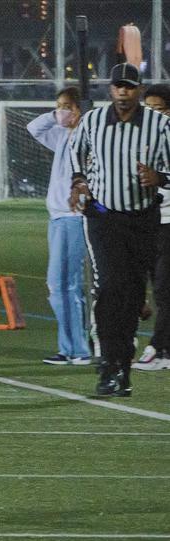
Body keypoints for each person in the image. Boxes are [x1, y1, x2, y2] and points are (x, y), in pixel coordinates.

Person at [69, 63, 170, 397]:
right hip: (103, 214)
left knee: (130, 296)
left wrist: (160, 178)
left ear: (139, 89)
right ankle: (111, 364)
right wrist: (79, 183)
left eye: (129, 87)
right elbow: (75, 156)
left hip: (143, 218)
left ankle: (121, 366)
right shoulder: (94, 121)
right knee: (112, 289)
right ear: (110, 89)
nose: (123, 93)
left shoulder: (160, 126)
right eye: (118, 87)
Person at [27, 86, 91, 366]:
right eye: (59, 106)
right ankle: (70, 347)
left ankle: (78, 349)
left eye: (67, 106)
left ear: (79, 109)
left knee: (65, 284)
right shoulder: (62, 135)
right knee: (62, 285)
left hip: (73, 217)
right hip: (57, 217)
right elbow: (34, 128)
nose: (62, 110)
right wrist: (55, 115)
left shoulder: (87, 138)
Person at [133, 84, 170, 371]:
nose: (152, 116)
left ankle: (157, 347)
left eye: (158, 109)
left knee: (163, 288)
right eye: (148, 110)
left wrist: (160, 178)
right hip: (147, 220)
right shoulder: (144, 140)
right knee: (155, 288)